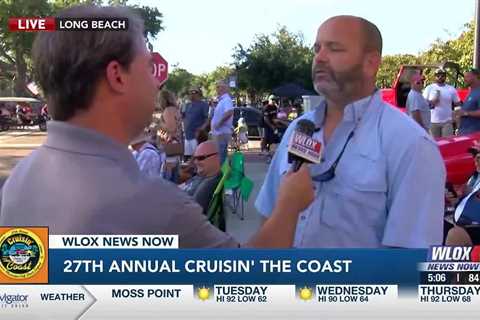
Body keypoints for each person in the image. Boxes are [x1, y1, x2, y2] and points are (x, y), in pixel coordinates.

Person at [0, 4, 313, 249]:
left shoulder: (21, 177)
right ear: (117, 76)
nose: (157, 82)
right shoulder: (149, 202)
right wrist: (289, 204)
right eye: (148, 67)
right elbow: (248, 281)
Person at [255, 15, 445, 248]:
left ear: (371, 63)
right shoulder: (299, 128)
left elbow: (408, 264)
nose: (320, 57)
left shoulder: (412, 145)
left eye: (334, 49)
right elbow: (268, 215)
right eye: (317, 48)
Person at [445, 144, 480, 245]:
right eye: (476, 157)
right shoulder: (473, 178)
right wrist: (458, 201)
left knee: (455, 235)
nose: (476, 161)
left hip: (470, 230)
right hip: (466, 227)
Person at [179, 141, 222, 215]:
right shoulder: (204, 176)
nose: (195, 162)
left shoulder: (207, 185)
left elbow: (191, 213)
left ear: (216, 157)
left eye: (201, 158)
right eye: (195, 158)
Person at [424, 68, 461, 138]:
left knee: (447, 144)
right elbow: (423, 103)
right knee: (435, 145)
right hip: (432, 122)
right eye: (438, 75)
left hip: (447, 122)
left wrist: (458, 123)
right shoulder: (429, 88)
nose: (440, 77)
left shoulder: (451, 89)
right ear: (435, 77)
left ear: (445, 77)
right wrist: (432, 101)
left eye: (442, 75)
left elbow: (458, 104)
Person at [157, 89, 183, 183]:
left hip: (169, 146)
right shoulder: (175, 109)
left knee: (167, 178)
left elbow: (171, 128)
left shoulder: (168, 110)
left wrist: (158, 124)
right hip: (175, 145)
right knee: (174, 176)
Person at [182, 87, 210, 161]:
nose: (191, 95)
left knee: (198, 156)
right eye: (190, 93)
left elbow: (207, 119)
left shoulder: (204, 105)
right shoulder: (187, 105)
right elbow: (183, 117)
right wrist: (184, 128)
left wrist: (201, 129)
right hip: (187, 136)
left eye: (193, 93)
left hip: (197, 136)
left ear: (198, 94)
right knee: (187, 158)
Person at [211, 80, 234, 165]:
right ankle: (221, 174)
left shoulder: (226, 100)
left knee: (221, 157)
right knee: (220, 156)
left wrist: (218, 124)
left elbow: (229, 112)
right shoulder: (222, 100)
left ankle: (221, 175)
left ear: (224, 88)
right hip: (219, 133)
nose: (217, 89)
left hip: (222, 133)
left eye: (218, 87)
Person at [456, 68, 480, 135]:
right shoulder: (470, 91)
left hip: (474, 134)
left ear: (475, 76)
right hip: (463, 132)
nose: (465, 79)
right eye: (464, 77)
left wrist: (466, 113)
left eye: (467, 76)